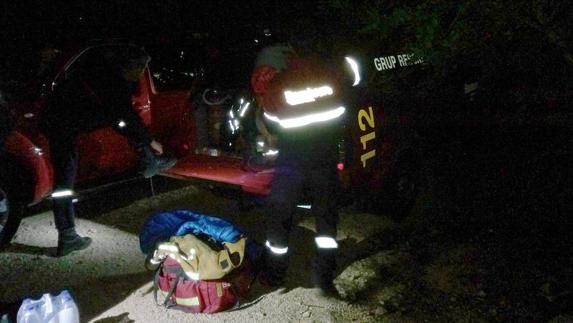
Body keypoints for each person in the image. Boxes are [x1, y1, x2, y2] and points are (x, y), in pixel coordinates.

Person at [40, 45, 176, 257]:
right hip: (62, 124)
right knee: (64, 182)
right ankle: (67, 237)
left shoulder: (103, 73)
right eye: (141, 70)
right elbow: (124, 115)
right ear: (131, 67)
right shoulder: (112, 83)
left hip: (60, 120)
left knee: (64, 179)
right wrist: (150, 141)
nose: (141, 75)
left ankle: (147, 158)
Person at [251, 31, 347, 296]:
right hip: (324, 159)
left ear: (292, 53)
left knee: (279, 217)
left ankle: (274, 275)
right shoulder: (332, 77)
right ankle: (325, 276)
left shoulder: (281, 83)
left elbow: (270, 121)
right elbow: (341, 114)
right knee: (326, 221)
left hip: (291, 160)